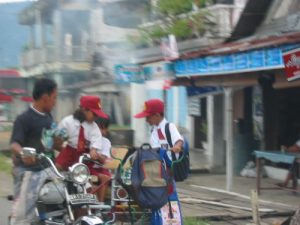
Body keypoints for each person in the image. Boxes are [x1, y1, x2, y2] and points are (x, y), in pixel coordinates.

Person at [10, 78, 59, 224]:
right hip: (29, 171)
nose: (55, 101)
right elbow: (14, 144)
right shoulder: (24, 119)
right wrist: (24, 153)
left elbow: (52, 144)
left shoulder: (49, 118)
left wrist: (60, 142)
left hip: (48, 169)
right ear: (45, 98)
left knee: (62, 201)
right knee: (23, 215)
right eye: (54, 97)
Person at [134, 98, 184, 225]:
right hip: (156, 170)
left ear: (157, 115)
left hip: (167, 169)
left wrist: (177, 146)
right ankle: (154, 219)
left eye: (148, 117)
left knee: (168, 196)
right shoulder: (154, 130)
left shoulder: (169, 127)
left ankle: (171, 220)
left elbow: (179, 140)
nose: (146, 120)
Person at [55, 95, 108, 172]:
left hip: (85, 154)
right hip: (69, 150)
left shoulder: (94, 127)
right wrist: (60, 143)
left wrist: (93, 150)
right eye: (94, 114)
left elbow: (96, 141)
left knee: (87, 174)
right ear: (84, 110)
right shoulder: (68, 122)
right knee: (58, 167)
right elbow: (58, 139)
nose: (96, 117)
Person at [91, 116, 112, 203]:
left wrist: (98, 156)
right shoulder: (90, 139)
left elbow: (105, 160)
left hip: (101, 169)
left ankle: (101, 204)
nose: (101, 131)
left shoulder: (106, 142)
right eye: (99, 128)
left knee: (105, 177)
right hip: (89, 168)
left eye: (104, 128)